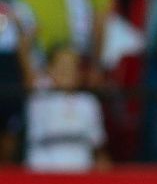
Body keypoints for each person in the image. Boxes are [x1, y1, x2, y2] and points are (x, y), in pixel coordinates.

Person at [25, 44, 110, 172]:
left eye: (72, 66)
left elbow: (98, 146)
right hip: (43, 172)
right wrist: (24, 44)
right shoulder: (39, 95)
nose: (67, 70)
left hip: (81, 173)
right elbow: (28, 70)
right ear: (50, 69)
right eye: (62, 65)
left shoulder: (89, 102)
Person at [0, 0, 36, 163]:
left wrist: (29, 75)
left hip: (10, 72)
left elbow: (25, 46)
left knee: (9, 133)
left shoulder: (20, 9)